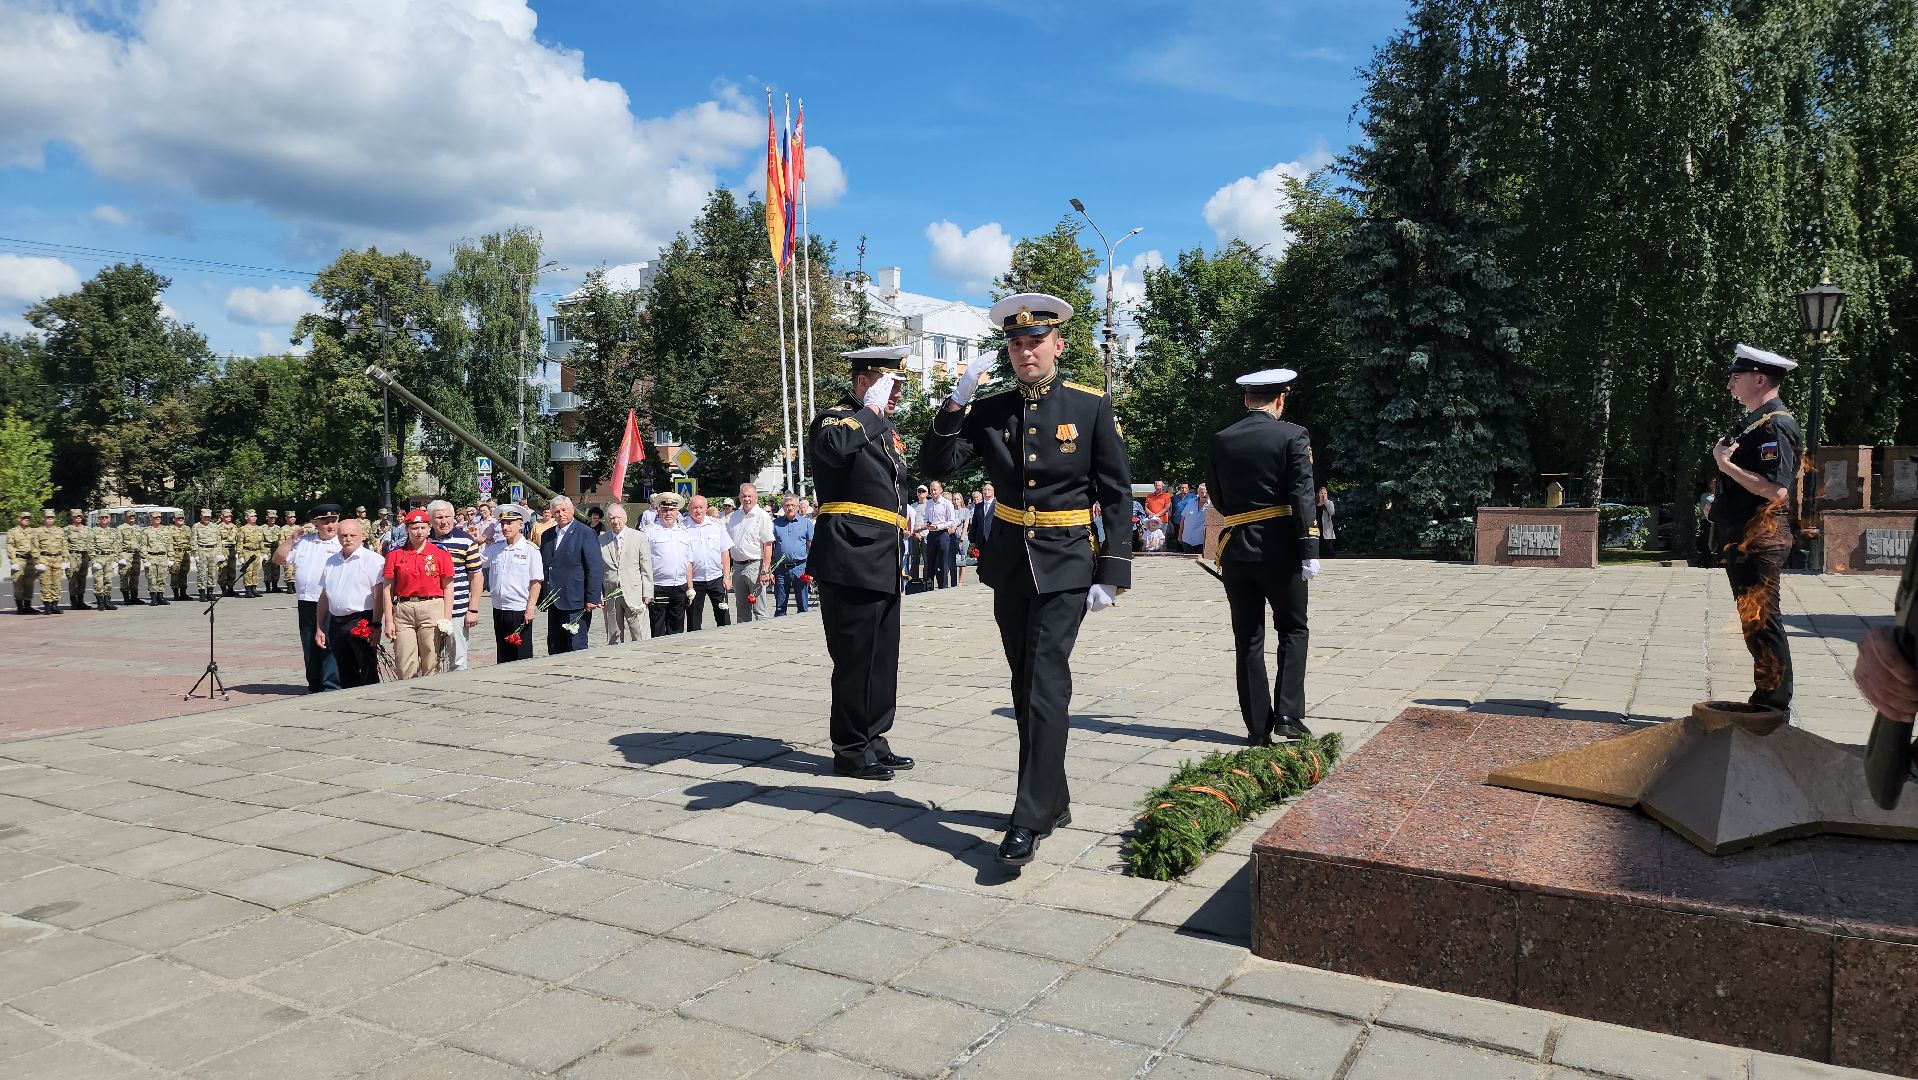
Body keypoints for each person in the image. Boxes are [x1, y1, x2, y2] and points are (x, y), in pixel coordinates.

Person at [919, 292, 1132, 866]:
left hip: (1066, 562)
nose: (1025, 351)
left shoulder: (1089, 406)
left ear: (1058, 344)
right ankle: (1055, 796)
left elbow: (1114, 493)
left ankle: (1029, 815)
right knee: (1023, 685)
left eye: (1035, 341)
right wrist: (955, 405)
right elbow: (935, 468)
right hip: (1011, 563)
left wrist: (1112, 570)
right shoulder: (989, 411)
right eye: (1015, 343)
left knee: (1043, 681)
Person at [812, 344, 917, 781]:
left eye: (897, 387)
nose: (895, 395)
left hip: (884, 554)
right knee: (855, 656)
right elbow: (835, 448)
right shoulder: (834, 419)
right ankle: (850, 748)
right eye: (888, 385)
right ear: (863, 382)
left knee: (881, 657)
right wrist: (871, 411)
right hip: (850, 552)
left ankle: (875, 736)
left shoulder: (882, 427)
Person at [1208, 367, 1320, 746]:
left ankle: (1257, 728)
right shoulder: (1293, 435)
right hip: (1281, 548)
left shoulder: (1221, 439)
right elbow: (1302, 493)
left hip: (1237, 548)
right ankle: (1287, 714)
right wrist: (1309, 547)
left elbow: (1219, 498)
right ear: (1280, 399)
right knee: (1292, 628)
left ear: (1246, 400)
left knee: (1249, 638)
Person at [1710, 344, 1803, 714]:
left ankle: (1773, 704)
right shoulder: (1755, 422)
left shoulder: (1776, 424)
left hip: (1759, 537)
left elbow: (1775, 489)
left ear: (1760, 378)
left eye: (1737, 376)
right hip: (1745, 535)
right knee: (1754, 620)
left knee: (1763, 620)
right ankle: (1767, 698)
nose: (1730, 383)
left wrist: (1726, 466)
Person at [275, 503, 342, 693]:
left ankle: (331, 685)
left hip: (330, 602)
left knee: (328, 643)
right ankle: (314, 684)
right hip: (306, 601)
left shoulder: (340, 543)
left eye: (333, 521)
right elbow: (279, 559)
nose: (330, 525)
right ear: (315, 523)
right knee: (309, 644)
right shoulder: (304, 542)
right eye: (325, 521)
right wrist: (291, 539)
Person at [381, 509, 454, 679]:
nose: (419, 532)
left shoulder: (440, 552)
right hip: (404, 609)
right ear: (407, 529)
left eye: (423, 527)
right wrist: (389, 621)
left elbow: (448, 587)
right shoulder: (395, 554)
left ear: (429, 529)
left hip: (432, 606)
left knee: (432, 659)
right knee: (404, 660)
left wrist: (446, 618)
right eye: (414, 528)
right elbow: (387, 589)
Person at [314, 516, 386, 688]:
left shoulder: (373, 560)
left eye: (352, 535)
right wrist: (319, 626)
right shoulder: (331, 561)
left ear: (362, 536)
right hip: (336, 623)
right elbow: (324, 596)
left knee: (367, 669)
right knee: (345, 671)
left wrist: (376, 624)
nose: (347, 539)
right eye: (343, 535)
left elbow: (379, 596)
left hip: (361, 620)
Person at [538, 495, 603, 653]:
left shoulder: (585, 533)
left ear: (572, 510)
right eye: (557, 511)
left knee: (576, 644)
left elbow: (594, 567)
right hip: (554, 600)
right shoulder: (547, 536)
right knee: (555, 645)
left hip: (576, 600)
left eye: (564, 510)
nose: (561, 514)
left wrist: (593, 597)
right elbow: (546, 566)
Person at [428, 500, 484, 672]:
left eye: (447, 517)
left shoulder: (465, 540)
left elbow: (476, 575)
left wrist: (472, 609)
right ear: (430, 520)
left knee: (457, 658)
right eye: (439, 517)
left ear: (453, 518)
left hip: (458, 609)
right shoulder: (423, 539)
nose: (444, 521)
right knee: (429, 658)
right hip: (429, 609)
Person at [482, 505, 543, 662]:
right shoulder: (496, 548)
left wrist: (530, 608)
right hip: (499, 608)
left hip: (519, 609)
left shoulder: (530, 550)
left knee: (520, 654)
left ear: (520, 525)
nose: (505, 527)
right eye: (503, 523)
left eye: (510, 523)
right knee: (502, 653)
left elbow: (536, 581)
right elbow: (478, 561)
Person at [600, 503, 654, 644]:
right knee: (614, 636)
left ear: (625, 518)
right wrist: (599, 594)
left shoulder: (639, 537)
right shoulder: (601, 540)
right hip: (611, 595)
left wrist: (647, 592)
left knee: (640, 635)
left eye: (618, 517)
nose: (615, 521)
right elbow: (598, 570)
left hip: (635, 594)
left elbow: (646, 567)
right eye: (612, 518)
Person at [645, 493, 694, 636]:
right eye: (665, 510)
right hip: (658, 586)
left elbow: (688, 562)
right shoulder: (649, 532)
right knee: (657, 627)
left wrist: (690, 587)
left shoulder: (683, 533)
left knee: (677, 627)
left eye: (672, 510)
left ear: (677, 512)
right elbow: (642, 561)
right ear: (658, 511)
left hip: (679, 586)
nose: (668, 513)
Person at [727, 483, 776, 622]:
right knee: (741, 609)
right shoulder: (735, 516)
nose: (746, 499)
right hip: (737, 566)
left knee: (759, 608)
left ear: (756, 497)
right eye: (743, 496)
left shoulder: (762, 516)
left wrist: (765, 570)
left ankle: (764, 637)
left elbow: (767, 544)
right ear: (739, 497)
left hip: (755, 565)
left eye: (750, 496)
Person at [683, 495, 731, 631]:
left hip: (716, 578)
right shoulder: (682, 528)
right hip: (695, 580)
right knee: (693, 619)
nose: (698, 511)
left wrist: (727, 577)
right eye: (694, 508)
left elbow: (725, 552)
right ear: (689, 508)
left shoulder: (717, 525)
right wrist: (689, 585)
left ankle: (726, 640)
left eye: (701, 507)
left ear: (706, 508)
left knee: (723, 615)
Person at [772, 494, 814, 615]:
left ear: (798, 507)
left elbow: (811, 546)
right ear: (783, 507)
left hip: (800, 568)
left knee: (802, 604)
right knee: (780, 605)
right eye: (787, 505)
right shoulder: (775, 524)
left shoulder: (806, 523)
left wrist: (811, 570)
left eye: (793, 505)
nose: (790, 508)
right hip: (781, 569)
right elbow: (769, 546)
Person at [31, 509, 70, 615]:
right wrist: (38, 561)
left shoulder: (60, 531)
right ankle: (47, 605)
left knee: (56, 583)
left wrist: (65, 560)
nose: (50, 520)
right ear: (43, 519)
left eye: (51, 518)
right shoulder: (38, 531)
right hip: (44, 559)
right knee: (45, 583)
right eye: (48, 518)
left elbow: (64, 546)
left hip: (57, 559)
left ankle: (54, 605)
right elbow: (35, 548)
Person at [87, 510, 120, 611]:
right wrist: (93, 559)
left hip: (109, 558)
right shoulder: (93, 531)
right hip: (99, 558)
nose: (104, 519)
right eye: (102, 517)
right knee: (98, 581)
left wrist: (116, 558)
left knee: (108, 581)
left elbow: (117, 545)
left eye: (106, 517)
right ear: (99, 519)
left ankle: (107, 601)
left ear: (109, 518)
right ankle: (100, 602)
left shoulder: (113, 532)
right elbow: (90, 545)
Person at [140, 511, 173, 606]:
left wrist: (171, 558)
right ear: (151, 518)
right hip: (151, 556)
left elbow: (169, 544)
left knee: (162, 578)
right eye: (155, 517)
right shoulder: (146, 531)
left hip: (162, 556)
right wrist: (145, 560)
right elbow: (143, 546)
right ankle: (153, 598)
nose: (158, 518)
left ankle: (160, 597)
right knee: (152, 578)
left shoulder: (166, 530)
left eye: (159, 517)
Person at [191, 508, 223, 602]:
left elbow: (218, 540)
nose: (207, 518)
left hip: (213, 550)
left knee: (212, 573)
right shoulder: (196, 526)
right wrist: (195, 554)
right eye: (205, 516)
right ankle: (202, 593)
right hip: (202, 549)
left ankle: (210, 593)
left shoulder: (214, 526)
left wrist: (219, 553)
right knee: (201, 573)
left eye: (208, 516)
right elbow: (193, 541)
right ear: (201, 516)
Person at [7, 511, 36, 614]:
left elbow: (36, 546)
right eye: (24, 518)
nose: (26, 519)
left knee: (29, 584)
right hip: (19, 559)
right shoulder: (12, 532)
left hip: (30, 560)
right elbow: (10, 546)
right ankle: (20, 607)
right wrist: (13, 560)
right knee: (18, 583)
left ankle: (28, 606)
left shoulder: (33, 532)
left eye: (28, 518)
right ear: (19, 519)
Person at [62, 509, 90, 610]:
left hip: (84, 555)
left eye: (80, 516)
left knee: (82, 578)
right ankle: (74, 602)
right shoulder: (67, 530)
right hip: (72, 556)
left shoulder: (87, 529)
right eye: (76, 516)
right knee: (73, 579)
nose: (78, 518)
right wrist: (65, 559)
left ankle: (81, 601)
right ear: (72, 517)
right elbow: (63, 544)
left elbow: (90, 543)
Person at [236, 509, 268, 597]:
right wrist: (240, 555)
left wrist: (263, 553)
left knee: (256, 571)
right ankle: (248, 590)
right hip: (247, 552)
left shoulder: (259, 528)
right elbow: (240, 543)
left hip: (257, 552)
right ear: (246, 518)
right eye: (252, 516)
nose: (254, 518)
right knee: (248, 571)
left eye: (255, 516)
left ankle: (254, 589)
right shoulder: (242, 529)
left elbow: (261, 541)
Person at [1180, 483, 1212, 554]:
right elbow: (1183, 518)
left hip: (1201, 541)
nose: (1204, 494)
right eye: (1201, 492)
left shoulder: (1212, 505)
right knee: (1187, 563)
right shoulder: (1191, 502)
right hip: (1187, 539)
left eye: (1206, 492)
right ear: (1198, 493)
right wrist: (1180, 534)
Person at [169, 512, 193, 600]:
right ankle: (176, 594)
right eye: (178, 518)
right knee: (174, 573)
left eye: (182, 518)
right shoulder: (170, 529)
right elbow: (168, 543)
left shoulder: (187, 529)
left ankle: (183, 593)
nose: (180, 520)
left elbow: (191, 541)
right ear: (174, 519)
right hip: (175, 553)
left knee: (184, 572)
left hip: (185, 553)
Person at [216, 508, 237, 597]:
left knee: (232, 570)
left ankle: (231, 588)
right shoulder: (218, 527)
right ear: (222, 517)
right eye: (226, 516)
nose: (229, 518)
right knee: (223, 570)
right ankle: (223, 589)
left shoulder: (234, 526)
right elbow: (217, 541)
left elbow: (237, 539)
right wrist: (219, 553)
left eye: (230, 516)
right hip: (223, 549)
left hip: (232, 549)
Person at [261, 511, 283, 594]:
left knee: (276, 568)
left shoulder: (278, 528)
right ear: (267, 518)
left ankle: (275, 586)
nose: (273, 519)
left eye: (274, 518)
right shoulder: (262, 528)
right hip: (266, 550)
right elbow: (260, 540)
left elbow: (281, 540)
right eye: (271, 517)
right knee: (267, 568)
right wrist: (262, 552)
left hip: (275, 549)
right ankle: (267, 587)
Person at [1315, 486, 1337, 558]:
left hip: (1326, 528)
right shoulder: (1315, 504)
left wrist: (1326, 502)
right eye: (1321, 493)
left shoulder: (1329, 503)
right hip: (1316, 528)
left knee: (1329, 549)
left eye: (1325, 493)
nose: (1323, 495)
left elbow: (1332, 513)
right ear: (1318, 494)